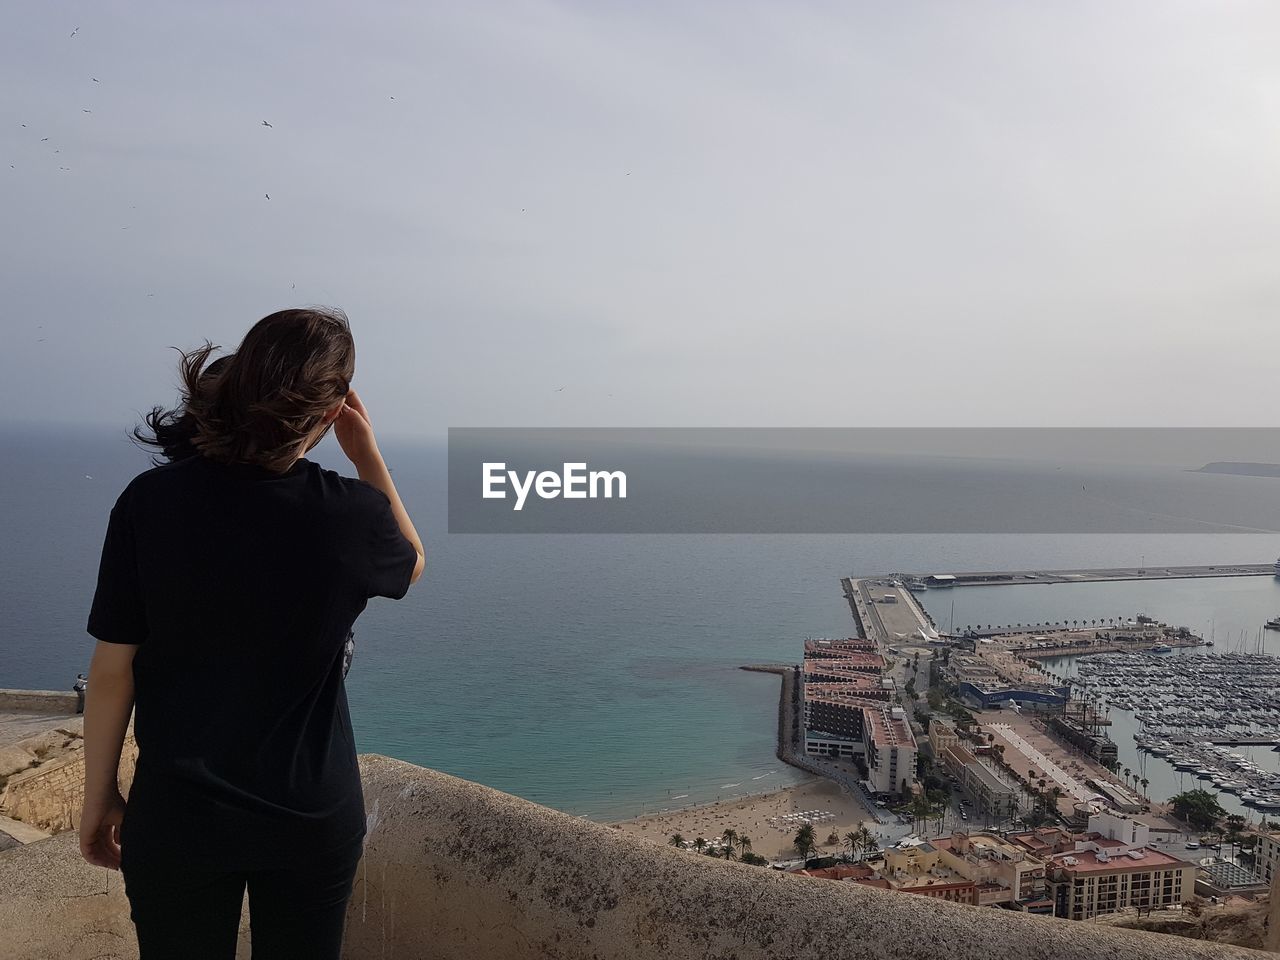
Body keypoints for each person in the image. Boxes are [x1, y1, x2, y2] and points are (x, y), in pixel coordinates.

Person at [78, 307, 425, 960]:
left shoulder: (150, 502)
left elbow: (112, 672)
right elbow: (411, 560)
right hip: (311, 816)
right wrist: (364, 451)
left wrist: (98, 797)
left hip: (178, 819)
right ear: (331, 410)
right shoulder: (349, 516)